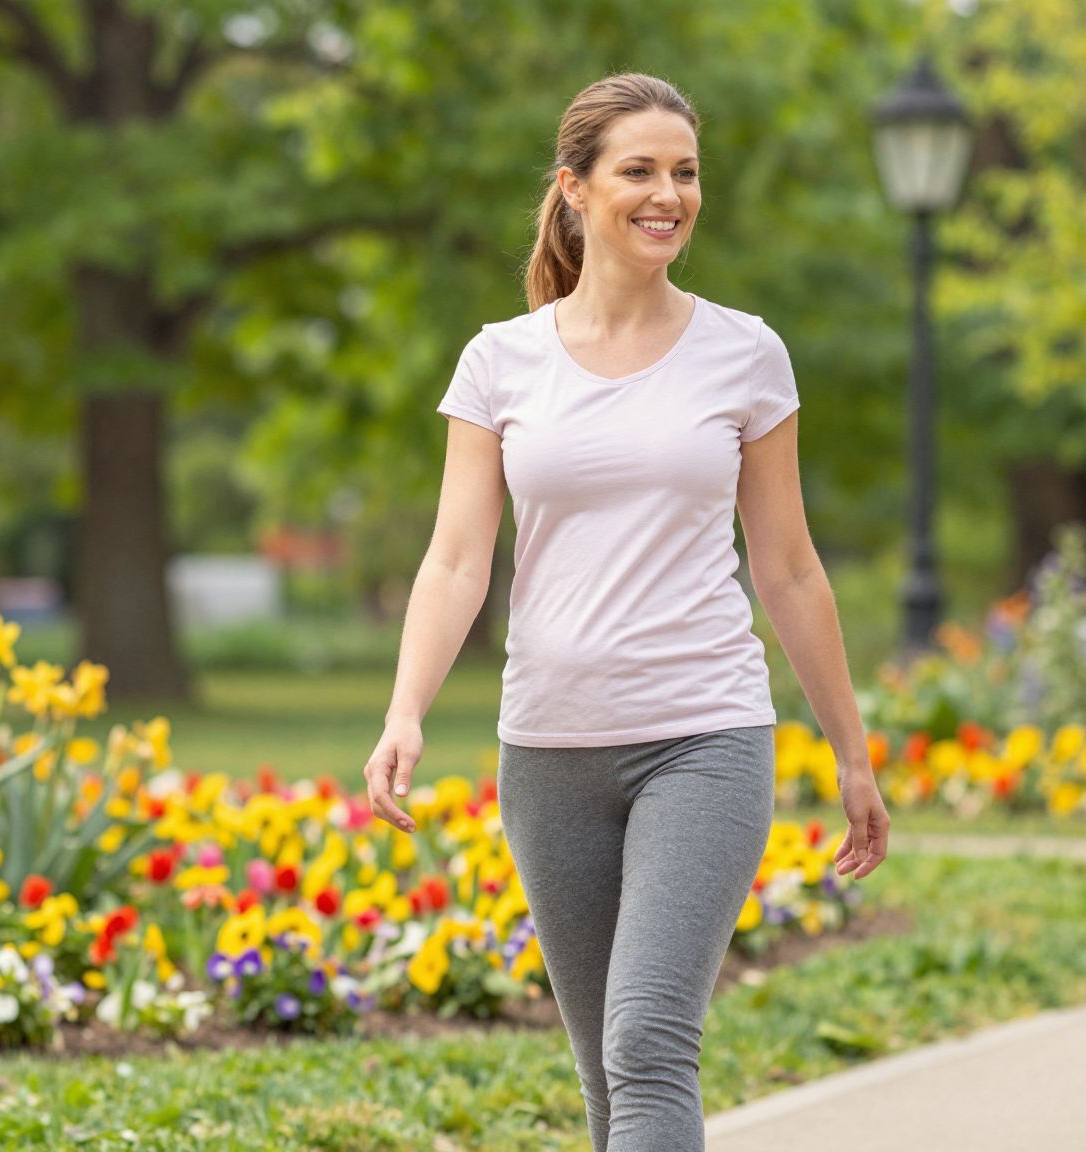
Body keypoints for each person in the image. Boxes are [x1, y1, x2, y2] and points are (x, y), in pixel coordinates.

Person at [362, 73, 890, 1152]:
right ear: (574, 189)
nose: (668, 195)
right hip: (547, 747)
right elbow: (457, 558)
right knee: (606, 1078)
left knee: (648, 1045)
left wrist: (851, 750)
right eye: (638, 171)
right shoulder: (498, 361)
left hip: (701, 734)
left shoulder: (743, 351)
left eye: (684, 173)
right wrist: (406, 708)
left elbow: (787, 568)